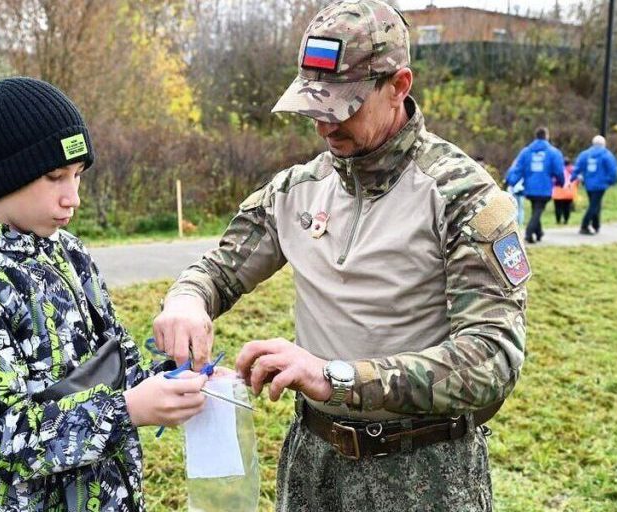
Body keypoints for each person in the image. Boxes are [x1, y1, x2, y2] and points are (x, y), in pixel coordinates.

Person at [153, 2, 528, 510]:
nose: (326, 126)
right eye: (314, 107)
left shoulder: (462, 197)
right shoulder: (298, 190)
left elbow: (492, 358)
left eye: (345, 105)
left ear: (399, 85)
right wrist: (187, 299)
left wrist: (337, 378)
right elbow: (218, 268)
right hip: (315, 467)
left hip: (424, 472)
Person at [0, 78, 207, 511]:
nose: (73, 197)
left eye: (78, 176)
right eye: (55, 177)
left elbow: (117, 365)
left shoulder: (71, 254)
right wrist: (126, 411)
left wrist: (175, 378)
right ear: (7, 175)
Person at [505, 127, 565, 244]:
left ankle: (538, 233)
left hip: (530, 188)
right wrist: (561, 182)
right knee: (538, 209)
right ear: (547, 136)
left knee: (536, 209)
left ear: (535, 136)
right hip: (545, 188)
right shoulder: (553, 152)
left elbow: (518, 169)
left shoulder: (526, 152)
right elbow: (558, 171)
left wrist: (510, 181)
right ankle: (528, 233)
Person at [572, 135, 617, 235]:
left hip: (588, 183)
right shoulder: (606, 155)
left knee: (595, 203)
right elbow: (613, 170)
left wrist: (574, 177)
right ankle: (584, 226)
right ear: (604, 144)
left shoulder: (585, 154)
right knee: (594, 205)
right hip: (600, 184)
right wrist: (611, 181)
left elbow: (578, 166)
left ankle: (596, 225)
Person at [552, 157, 577, 225]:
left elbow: (554, 179)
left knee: (558, 207)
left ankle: (558, 221)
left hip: (558, 191)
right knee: (567, 207)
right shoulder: (573, 170)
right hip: (569, 191)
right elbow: (576, 179)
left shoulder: (558, 169)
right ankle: (566, 220)